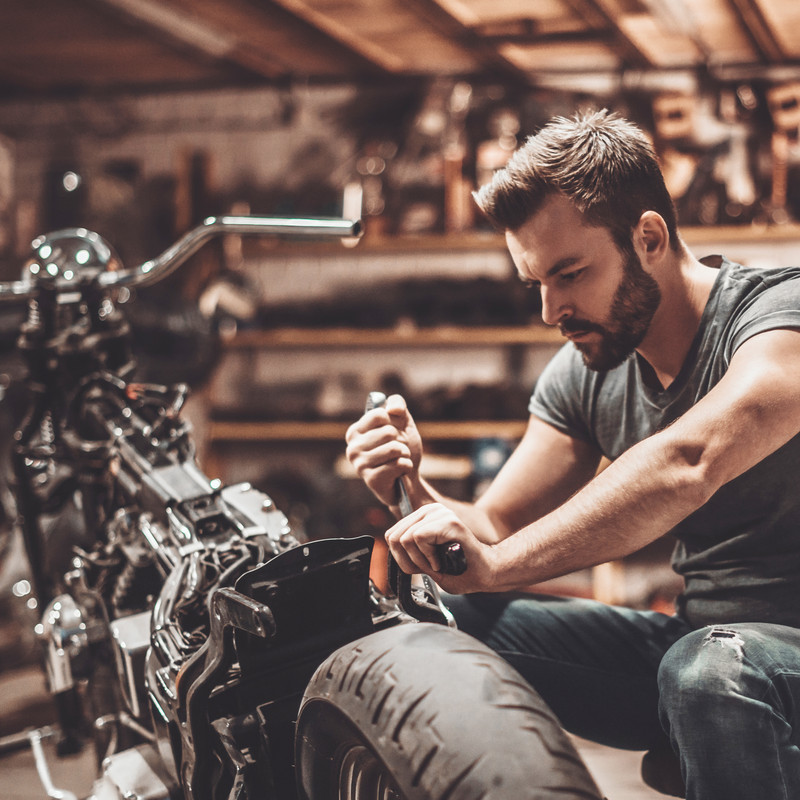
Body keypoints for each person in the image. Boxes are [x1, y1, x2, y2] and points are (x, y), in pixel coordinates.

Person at [345, 108, 800, 800]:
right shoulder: (589, 368)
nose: (550, 311)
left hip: (742, 663)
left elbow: (689, 463)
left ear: (648, 237)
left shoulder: (779, 318)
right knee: (442, 619)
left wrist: (497, 567)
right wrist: (412, 489)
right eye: (537, 284)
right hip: (700, 650)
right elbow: (494, 526)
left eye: (570, 274)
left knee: (710, 671)